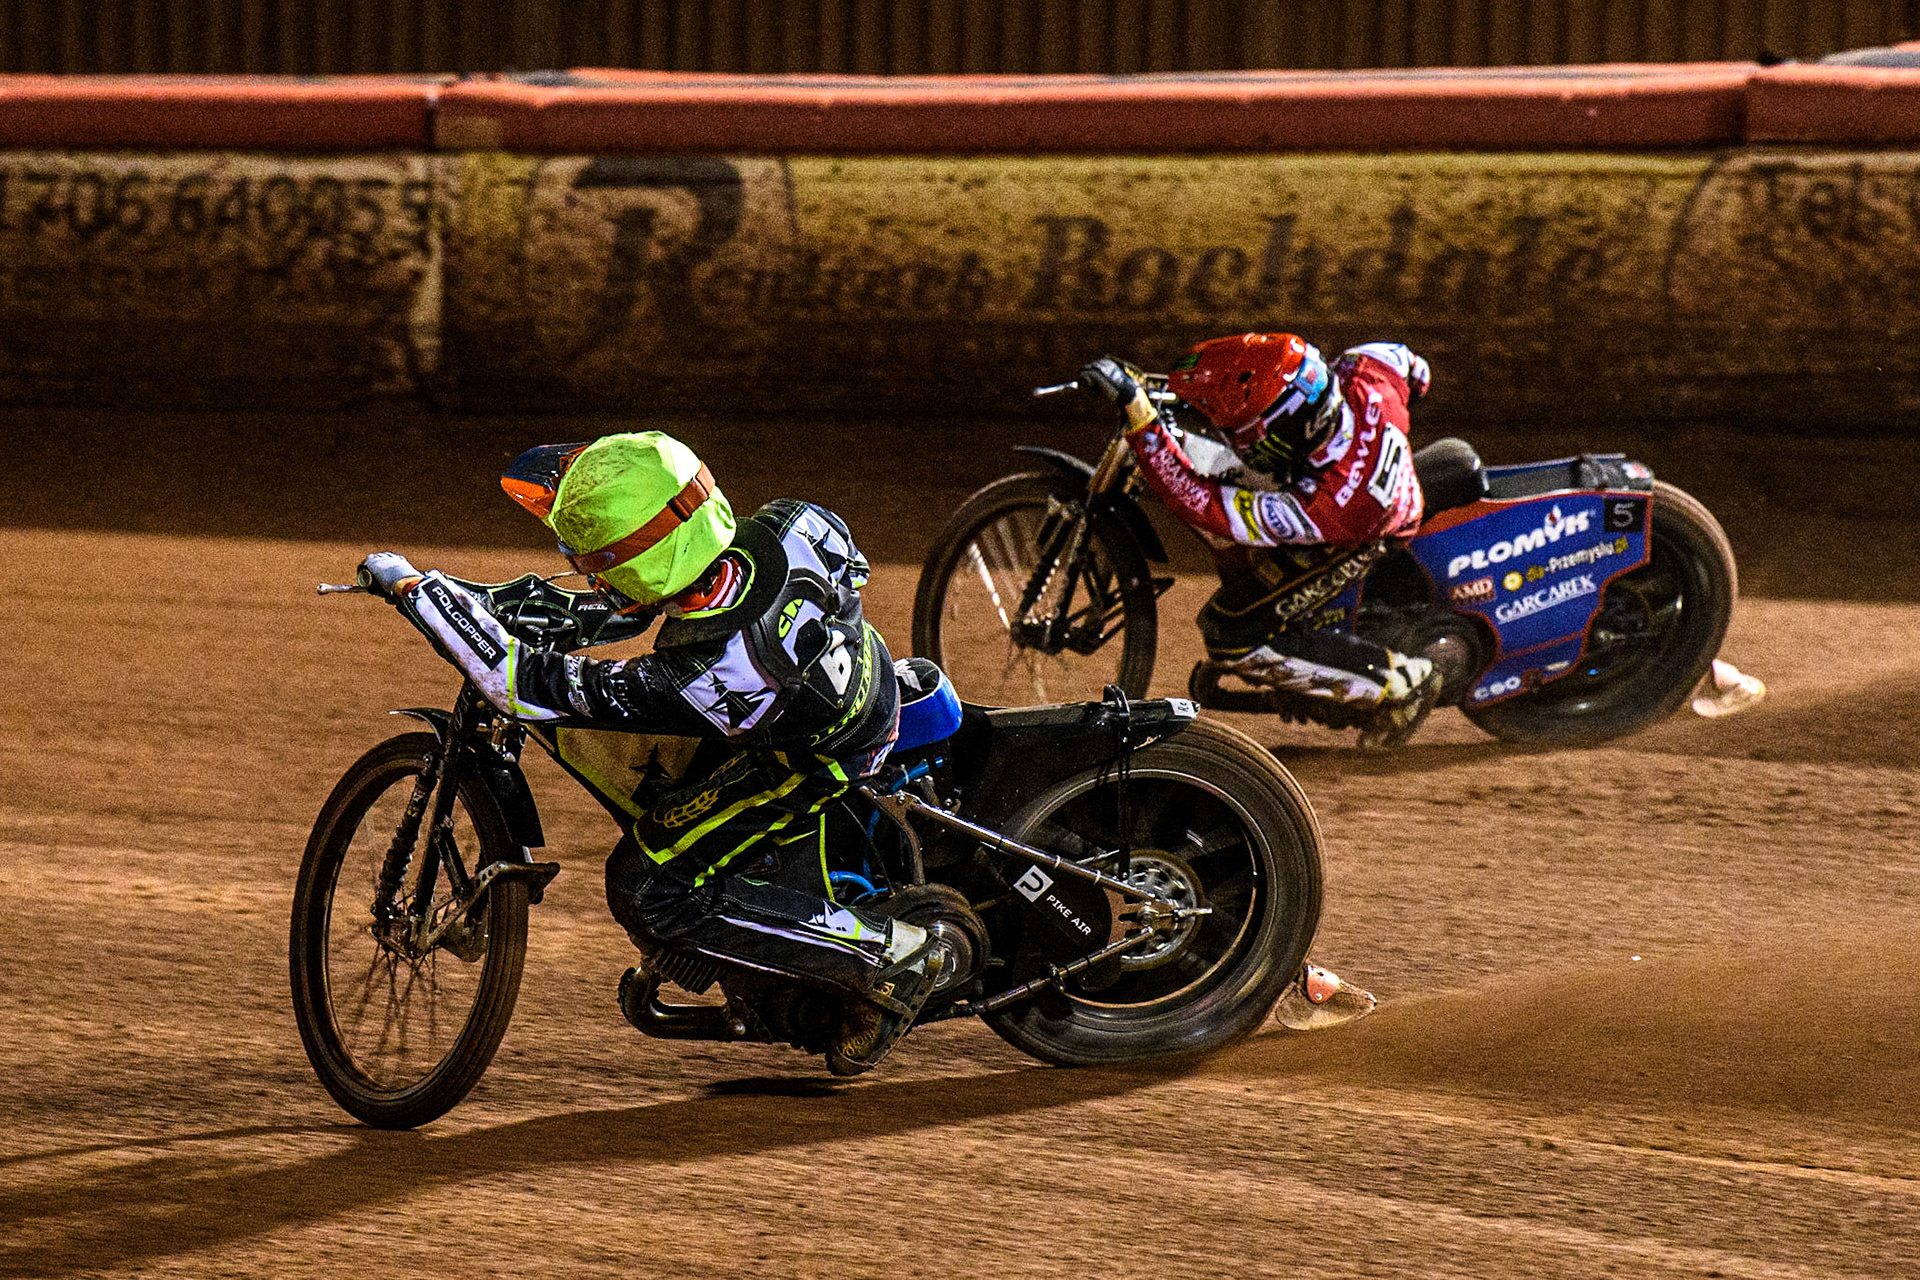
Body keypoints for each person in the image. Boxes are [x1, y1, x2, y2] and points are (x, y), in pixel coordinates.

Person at [358, 431, 942, 1075]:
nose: (584, 571)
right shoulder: (790, 524)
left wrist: (417, 591)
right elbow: (660, 596)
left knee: (649, 884)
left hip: (815, 756)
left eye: (591, 561)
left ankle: (889, 957)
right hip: (865, 671)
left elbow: (531, 686)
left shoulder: (715, 672)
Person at [1080, 333, 1444, 751]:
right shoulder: (1367, 371)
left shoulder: (1327, 505)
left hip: (1358, 532)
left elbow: (1202, 503)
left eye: (1243, 432)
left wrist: (1144, 426)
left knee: (1233, 632)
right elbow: (1418, 372)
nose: (1230, 434)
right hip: (1338, 479)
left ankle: (1401, 682)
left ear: (1289, 430)